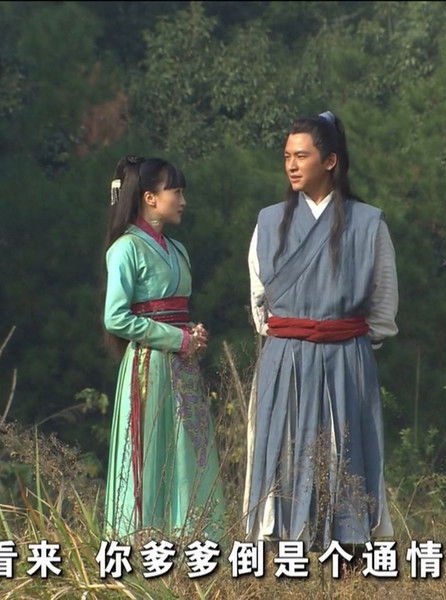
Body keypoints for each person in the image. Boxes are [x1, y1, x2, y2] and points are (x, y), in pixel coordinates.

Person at [244, 111, 398, 550]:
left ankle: (348, 551)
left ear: (329, 161)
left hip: (347, 357)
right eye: (286, 156)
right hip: (285, 358)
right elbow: (259, 302)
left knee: (345, 455)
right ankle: (282, 552)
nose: (291, 165)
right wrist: (294, 335)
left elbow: (383, 307)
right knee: (282, 455)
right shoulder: (269, 221)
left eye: (301, 156)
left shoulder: (368, 223)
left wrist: (344, 339)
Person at [103, 155, 224, 539]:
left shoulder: (178, 249)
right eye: (177, 192)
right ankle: (144, 544)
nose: (183, 201)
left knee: (190, 452)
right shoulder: (125, 248)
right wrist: (177, 339)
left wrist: (192, 333)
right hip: (148, 367)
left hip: (183, 367)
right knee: (150, 452)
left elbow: (175, 310)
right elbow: (116, 319)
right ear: (150, 197)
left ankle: (194, 540)